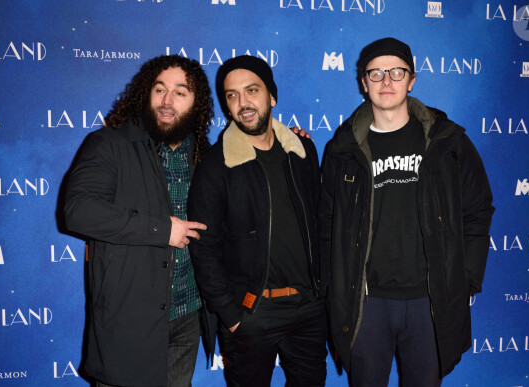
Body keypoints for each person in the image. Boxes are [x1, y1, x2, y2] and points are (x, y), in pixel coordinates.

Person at [321, 37, 494, 386]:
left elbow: (477, 211)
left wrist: (465, 280)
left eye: (397, 72)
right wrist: (333, 286)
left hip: (429, 303)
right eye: (377, 73)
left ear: (411, 80)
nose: (387, 81)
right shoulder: (342, 150)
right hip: (366, 304)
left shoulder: (448, 142)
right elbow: (327, 224)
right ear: (363, 82)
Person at [64, 55, 215, 387]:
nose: (166, 101)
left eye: (180, 92)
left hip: (188, 316)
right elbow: (77, 210)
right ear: (145, 94)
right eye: (159, 89)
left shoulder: (206, 156)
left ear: (196, 103)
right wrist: (163, 230)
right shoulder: (109, 144)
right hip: (130, 322)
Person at [188, 55, 329, 387]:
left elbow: (320, 224)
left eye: (252, 90)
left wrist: (323, 296)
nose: (242, 103)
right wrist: (231, 315)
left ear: (272, 96)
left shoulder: (302, 152)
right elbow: (204, 249)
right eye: (232, 95)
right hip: (251, 312)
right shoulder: (215, 164)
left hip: (308, 310)